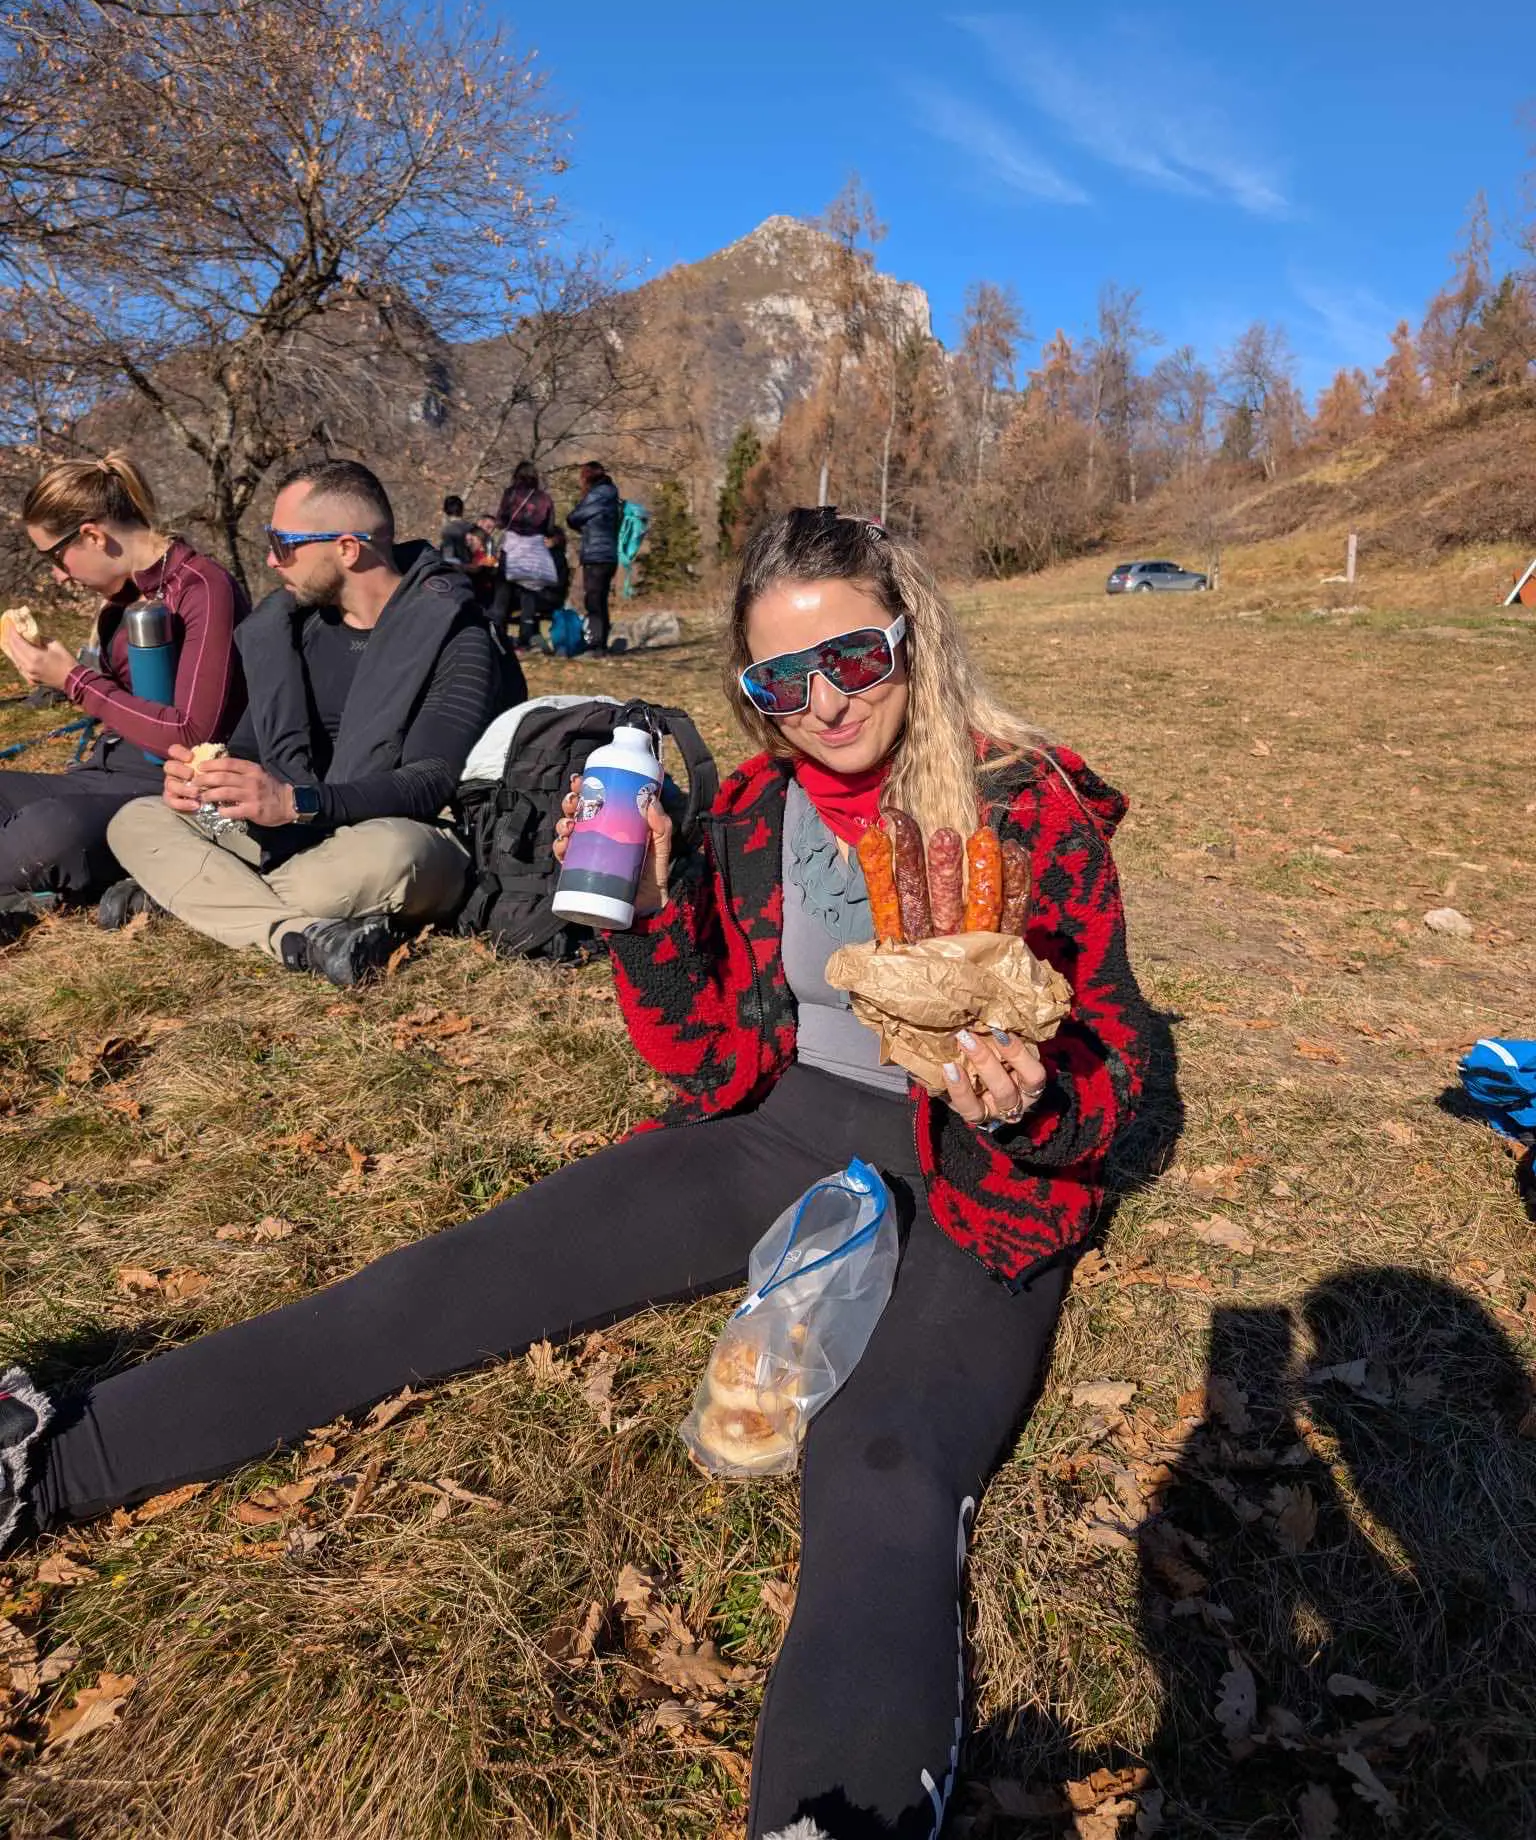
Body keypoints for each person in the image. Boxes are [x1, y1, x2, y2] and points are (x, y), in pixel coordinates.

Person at [0, 508, 1151, 1837]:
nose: (826, 703)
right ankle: (52, 1458)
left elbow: (1117, 1079)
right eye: (781, 680)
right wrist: (651, 918)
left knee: (881, 1462)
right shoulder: (753, 810)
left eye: (854, 658)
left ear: (913, 641)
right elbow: (708, 1058)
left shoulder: (1029, 807)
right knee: (445, 1282)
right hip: (780, 1130)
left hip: (983, 1181)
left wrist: (1033, 1106)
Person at [99, 459, 510, 988]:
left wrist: (297, 802)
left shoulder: (459, 636)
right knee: (135, 819)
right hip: (291, 836)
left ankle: (195, 895)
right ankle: (293, 932)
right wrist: (208, 782)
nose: (271, 559)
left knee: (396, 857)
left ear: (347, 548)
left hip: (397, 833)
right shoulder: (295, 629)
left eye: (284, 543)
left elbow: (429, 780)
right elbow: (250, 747)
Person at [0, 450, 246, 931]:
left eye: (55, 557)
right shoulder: (121, 602)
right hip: (104, 772)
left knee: (47, 831)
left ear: (92, 535)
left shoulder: (203, 588)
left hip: (172, 788)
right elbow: (122, 704)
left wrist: (73, 680)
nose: (59, 575)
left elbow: (193, 734)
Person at [489, 459, 558, 650]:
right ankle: (525, 638)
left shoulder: (511, 494)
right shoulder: (544, 498)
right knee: (529, 594)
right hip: (534, 550)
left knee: (502, 593)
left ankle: (497, 635)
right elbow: (550, 527)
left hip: (512, 548)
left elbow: (501, 521)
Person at [566, 458, 621, 655]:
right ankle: (601, 642)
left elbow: (574, 517)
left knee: (594, 600)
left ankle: (596, 644)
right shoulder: (612, 495)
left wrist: (579, 522)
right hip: (610, 554)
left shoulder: (597, 496)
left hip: (596, 554)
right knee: (601, 599)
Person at [437, 494, 479, 568]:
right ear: (462, 509)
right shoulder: (473, 528)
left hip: (456, 568)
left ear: (445, 511)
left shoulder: (449, 530)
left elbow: (448, 557)